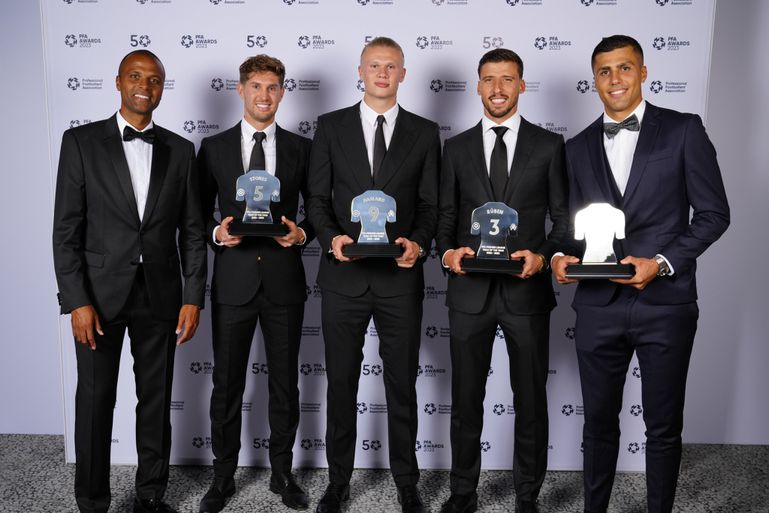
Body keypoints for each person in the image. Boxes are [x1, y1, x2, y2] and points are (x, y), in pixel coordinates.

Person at [551, 35, 730, 513]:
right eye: (605, 71)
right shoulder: (576, 147)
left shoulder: (683, 130)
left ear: (643, 72)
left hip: (665, 304)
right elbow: (569, 228)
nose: (615, 79)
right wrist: (560, 257)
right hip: (597, 307)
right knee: (597, 425)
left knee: (663, 427)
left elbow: (714, 214)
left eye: (625, 68)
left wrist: (662, 263)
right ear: (595, 80)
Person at [52, 50, 207, 513]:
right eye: (135, 76)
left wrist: (193, 296)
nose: (145, 85)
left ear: (162, 88)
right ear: (118, 82)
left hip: (160, 295)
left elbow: (192, 232)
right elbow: (65, 231)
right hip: (97, 299)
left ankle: (151, 495)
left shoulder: (181, 150)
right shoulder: (80, 142)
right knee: (95, 401)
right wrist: (77, 301)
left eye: (154, 79)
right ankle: (92, 501)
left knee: (156, 401)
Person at [306, 36, 440, 513]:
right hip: (344, 276)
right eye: (374, 65)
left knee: (402, 385)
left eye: (391, 66)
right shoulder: (331, 126)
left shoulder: (425, 132)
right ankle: (338, 482)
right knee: (341, 384)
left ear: (403, 73)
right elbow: (316, 199)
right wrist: (331, 240)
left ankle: (407, 482)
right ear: (360, 72)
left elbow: (430, 205)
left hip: (399, 279)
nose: (382, 73)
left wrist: (418, 244)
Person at [435, 48, 569, 513]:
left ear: (521, 85)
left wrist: (544, 255)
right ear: (478, 86)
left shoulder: (549, 146)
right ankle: (463, 491)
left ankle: (527, 495)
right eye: (489, 79)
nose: (497, 88)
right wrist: (448, 253)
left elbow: (563, 220)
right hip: (469, 293)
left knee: (530, 400)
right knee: (465, 399)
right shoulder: (455, 148)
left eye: (507, 79)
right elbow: (445, 217)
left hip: (526, 293)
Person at [195, 54, 313, 512]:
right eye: (256, 86)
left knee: (285, 384)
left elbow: (320, 210)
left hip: (284, 282)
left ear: (282, 92)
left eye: (272, 87)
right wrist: (217, 234)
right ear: (240, 89)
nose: (264, 95)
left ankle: (282, 474)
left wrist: (303, 234)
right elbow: (195, 214)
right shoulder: (214, 147)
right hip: (234, 282)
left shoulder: (302, 148)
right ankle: (222, 477)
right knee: (226, 384)